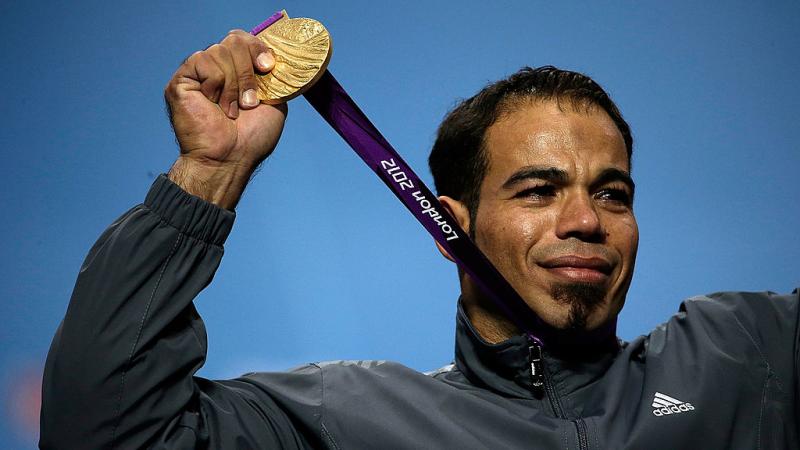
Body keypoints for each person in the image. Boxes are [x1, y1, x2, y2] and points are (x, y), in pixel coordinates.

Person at [40, 29, 798, 450]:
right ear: (449, 228)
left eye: (612, 193)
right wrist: (210, 171)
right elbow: (103, 435)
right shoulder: (345, 420)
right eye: (538, 191)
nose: (586, 221)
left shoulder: (743, 355)